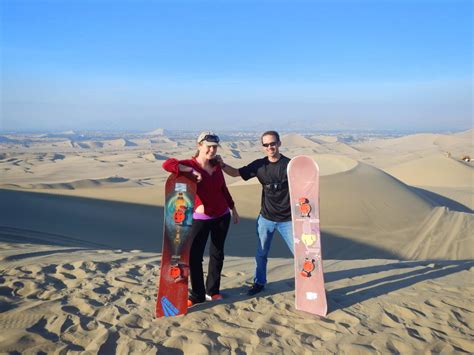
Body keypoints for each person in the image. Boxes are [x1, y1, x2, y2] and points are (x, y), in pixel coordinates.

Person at [162, 131, 239, 306]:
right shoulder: (189, 164)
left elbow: (223, 188)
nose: (212, 150)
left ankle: (213, 291)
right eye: (208, 147)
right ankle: (197, 294)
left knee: (217, 253)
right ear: (199, 146)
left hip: (222, 215)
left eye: (214, 147)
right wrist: (188, 170)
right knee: (195, 257)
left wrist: (233, 207)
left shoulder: (217, 166)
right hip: (199, 218)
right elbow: (167, 164)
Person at [218, 131, 293, 296]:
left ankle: (307, 281)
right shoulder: (259, 165)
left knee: (301, 253)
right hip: (266, 218)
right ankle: (259, 283)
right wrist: (222, 165)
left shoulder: (290, 165)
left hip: (288, 220)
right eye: (266, 145)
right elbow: (236, 173)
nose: (270, 147)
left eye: (272, 143)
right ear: (263, 147)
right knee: (261, 253)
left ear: (279, 143)